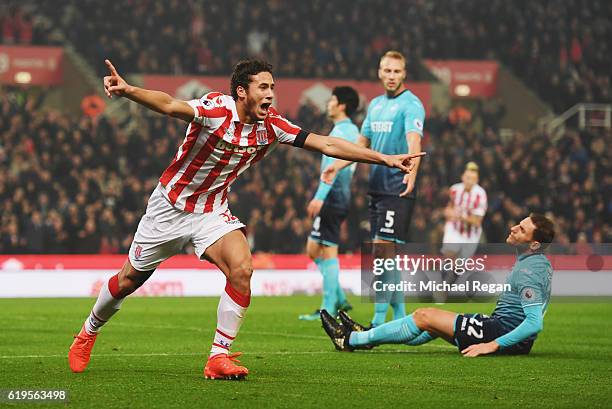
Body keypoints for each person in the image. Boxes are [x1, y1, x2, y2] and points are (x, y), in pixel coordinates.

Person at [68, 58, 424, 380]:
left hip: (211, 212)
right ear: (242, 91)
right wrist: (128, 90)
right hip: (169, 208)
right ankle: (88, 330)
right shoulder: (215, 109)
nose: (271, 94)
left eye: (273, 88)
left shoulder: (272, 126)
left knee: (242, 269)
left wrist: (384, 158)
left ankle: (218, 357)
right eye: (264, 87)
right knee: (130, 280)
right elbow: (170, 105)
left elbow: (327, 145)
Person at [321, 214, 555, 357]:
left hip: (502, 333)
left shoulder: (528, 270)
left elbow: (535, 323)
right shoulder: (535, 263)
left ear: (534, 244)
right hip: (500, 327)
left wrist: (492, 345)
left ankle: (350, 340)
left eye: (522, 229)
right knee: (431, 326)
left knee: (425, 315)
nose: (514, 227)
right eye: (519, 223)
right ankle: (367, 337)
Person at [323, 51, 426, 327]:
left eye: (396, 71)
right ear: (379, 72)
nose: (391, 76)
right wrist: (337, 165)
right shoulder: (377, 105)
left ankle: (380, 320)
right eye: (387, 71)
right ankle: (401, 317)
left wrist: (412, 176)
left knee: (382, 253)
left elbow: (414, 143)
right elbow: (360, 145)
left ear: (404, 74)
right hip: (377, 189)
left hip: (397, 186)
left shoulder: (411, 105)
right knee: (385, 257)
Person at [299, 86, 360, 321]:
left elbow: (331, 169)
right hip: (338, 196)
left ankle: (329, 306)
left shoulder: (343, 132)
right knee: (313, 249)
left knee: (328, 250)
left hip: (334, 197)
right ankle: (339, 297)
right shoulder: (346, 130)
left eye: (332, 99)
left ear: (342, 105)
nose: (329, 103)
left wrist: (320, 197)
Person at [441, 162, 488, 260]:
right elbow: (449, 207)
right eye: (467, 177)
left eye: (472, 179)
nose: (469, 181)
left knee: (459, 266)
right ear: (462, 177)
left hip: (471, 234)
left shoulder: (480, 194)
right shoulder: (454, 189)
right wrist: (448, 213)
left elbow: (477, 222)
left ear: (477, 180)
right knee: (449, 257)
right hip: (454, 229)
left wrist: (460, 217)